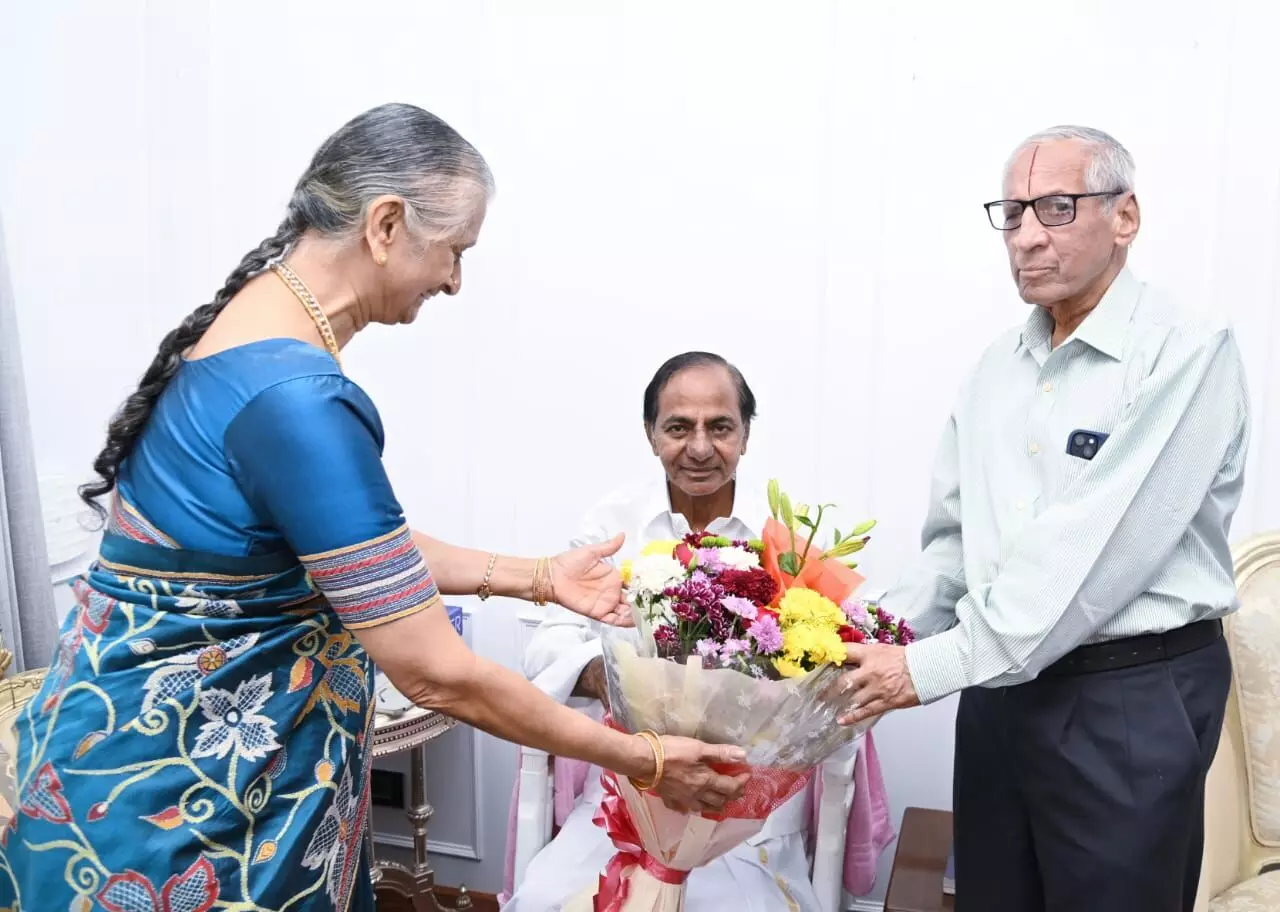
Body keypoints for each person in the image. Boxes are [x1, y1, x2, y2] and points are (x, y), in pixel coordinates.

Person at [0, 104, 747, 912]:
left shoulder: (246, 341)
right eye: (455, 250)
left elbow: (347, 551)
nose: (455, 280)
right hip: (189, 824)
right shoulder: (297, 399)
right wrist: (644, 758)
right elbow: (436, 671)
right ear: (387, 225)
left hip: (119, 774)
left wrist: (539, 578)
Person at [835, 125, 1250, 912]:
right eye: (1013, 212)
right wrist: (856, 639)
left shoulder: (1186, 349)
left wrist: (920, 671)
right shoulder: (997, 367)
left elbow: (1092, 554)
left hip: (1127, 697)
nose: (1026, 237)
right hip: (1000, 696)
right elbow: (955, 546)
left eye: (1056, 209)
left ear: (1124, 218)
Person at [507, 351, 824, 911]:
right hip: (626, 789)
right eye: (679, 427)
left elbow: (824, 658)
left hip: (749, 806)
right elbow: (546, 644)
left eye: (720, 427)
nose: (700, 448)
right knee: (547, 900)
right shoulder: (613, 525)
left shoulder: (787, 536)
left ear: (746, 435)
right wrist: (609, 679)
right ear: (651, 435)